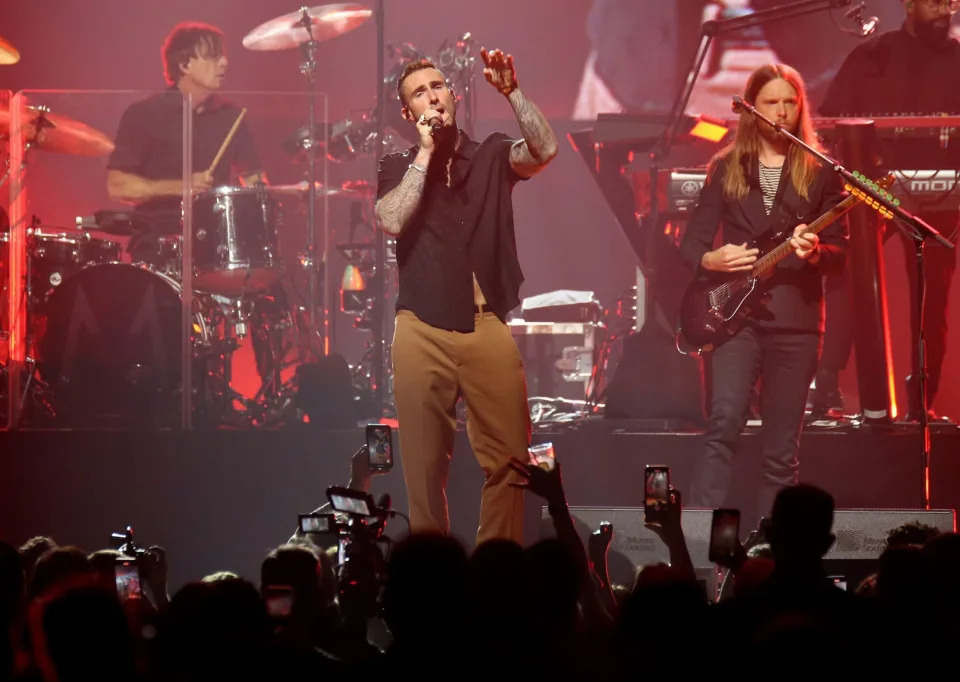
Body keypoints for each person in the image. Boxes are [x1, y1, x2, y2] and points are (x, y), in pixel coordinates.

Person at [374, 49, 558, 545]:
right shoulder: (398, 165)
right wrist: (427, 152)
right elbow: (391, 220)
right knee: (424, 463)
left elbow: (543, 150)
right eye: (419, 93)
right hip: (421, 327)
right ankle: (434, 576)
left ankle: (497, 570)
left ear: (453, 97)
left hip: (485, 325)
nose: (432, 96)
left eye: (438, 87)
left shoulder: (493, 154)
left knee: (511, 458)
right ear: (408, 114)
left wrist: (512, 92)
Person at [679, 63, 848, 520]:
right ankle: (697, 538)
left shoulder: (821, 171)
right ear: (752, 110)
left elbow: (841, 251)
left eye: (789, 102)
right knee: (724, 422)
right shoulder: (727, 167)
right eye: (771, 103)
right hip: (738, 318)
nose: (781, 112)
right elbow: (691, 242)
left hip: (797, 321)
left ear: (800, 107)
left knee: (781, 446)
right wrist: (711, 259)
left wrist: (815, 252)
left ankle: (774, 554)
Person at [815, 0, 960, 422]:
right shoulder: (872, 55)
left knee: (932, 300)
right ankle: (825, 389)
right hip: (876, 187)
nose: (945, 8)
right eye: (934, 0)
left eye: (951, 1)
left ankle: (920, 407)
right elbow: (830, 121)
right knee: (847, 275)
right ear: (908, 4)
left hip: (941, 192)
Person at [106, 22, 266, 265]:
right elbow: (117, 186)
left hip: (217, 242)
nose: (224, 63)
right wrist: (183, 186)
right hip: (158, 241)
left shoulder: (231, 115)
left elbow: (254, 180)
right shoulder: (145, 114)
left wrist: (282, 194)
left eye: (223, 56)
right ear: (184, 64)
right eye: (214, 57)